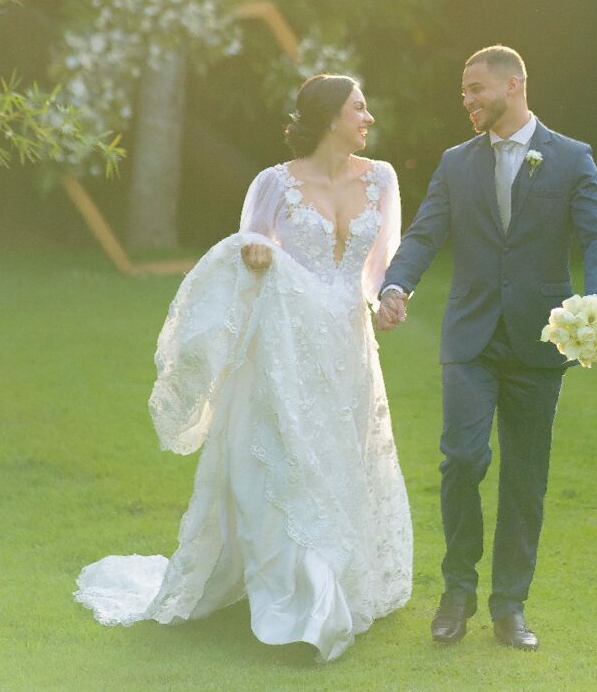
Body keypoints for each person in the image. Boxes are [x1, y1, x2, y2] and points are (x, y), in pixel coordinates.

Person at [74, 74, 412, 664]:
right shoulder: (274, 183)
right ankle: (304, 605)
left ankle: (337, 577)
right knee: (289, 460)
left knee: (341, 456)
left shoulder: (381, 178)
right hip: (284, 345)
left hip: (348, 347)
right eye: (359, 108)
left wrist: (390, 297)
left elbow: (380, 266)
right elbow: (247, 247)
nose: (369, 118)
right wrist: (256, 247)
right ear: (330, 117)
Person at [377, 44, 597, 653]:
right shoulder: (456, 163)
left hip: (541, 339)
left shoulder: (573, 158)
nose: (467, 100)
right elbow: (425, 232)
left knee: (525, 476)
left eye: (475, 89)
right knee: (462, 458)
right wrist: (396, 285)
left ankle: (509, 606)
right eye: (464, 92)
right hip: (471, 338)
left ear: (513, 85)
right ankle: (456, 591)